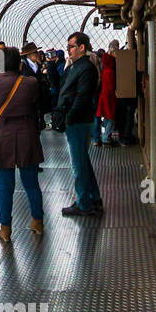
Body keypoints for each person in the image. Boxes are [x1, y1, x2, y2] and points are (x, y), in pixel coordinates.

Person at [0, 44, 45, 244]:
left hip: (2, 140)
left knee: (5, 188)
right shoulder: (31, 83)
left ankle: (5, 230)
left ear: (0, 65)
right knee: (32, 185)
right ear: (19, 65)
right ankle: (37, 222)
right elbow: (40, 104)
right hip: (27, 137)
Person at [55, 31, 105, 217]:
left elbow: (82, 97)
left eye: (71, 46)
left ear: (82, 47)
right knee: (83, 161)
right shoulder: (76, 67)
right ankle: (94, 198)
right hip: (78, 120)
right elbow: (62, 87)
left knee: (78, 164)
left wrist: (68, 117)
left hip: (77, 121)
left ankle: (83, 203)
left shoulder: (85, 68)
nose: (68, 50)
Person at [94, 43, 119, 144]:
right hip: (109, 97)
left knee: (108, 117)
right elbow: (111, 86)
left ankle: (105, 135)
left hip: (105, 96)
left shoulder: (105, 70)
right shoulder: (110, 71)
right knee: (111, 117)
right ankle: (106, 138)